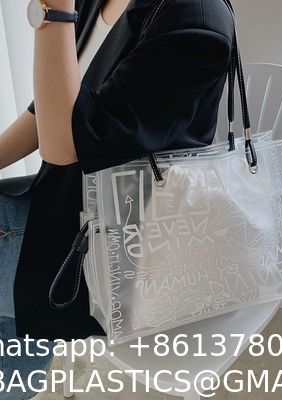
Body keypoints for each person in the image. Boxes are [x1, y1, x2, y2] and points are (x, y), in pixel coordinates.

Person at [0, 0, 235, 397]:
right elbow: (52, 104)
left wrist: (53, 11)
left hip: (125, 253)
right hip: (71, 206)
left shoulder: (195, 20)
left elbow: (62, 143)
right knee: (13, 326)